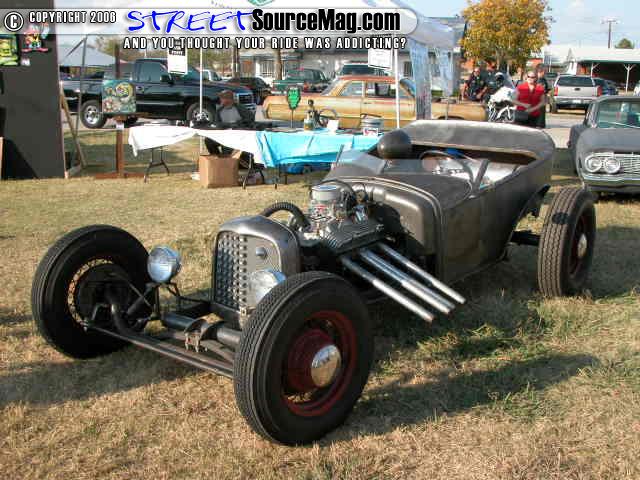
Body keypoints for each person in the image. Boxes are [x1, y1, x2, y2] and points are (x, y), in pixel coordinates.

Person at [203, 90, 255, 155]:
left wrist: (238, 124)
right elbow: (217, 124)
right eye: (221, 98)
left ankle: (228, 158)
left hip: (238, 135)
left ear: (229, 99)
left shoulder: (239, 108)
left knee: (227, 148)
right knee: (208, 141)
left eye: (222, 98)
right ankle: (217, 157)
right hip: (224, 134)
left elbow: (251, 118)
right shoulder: (219, 110)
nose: (220, 100)